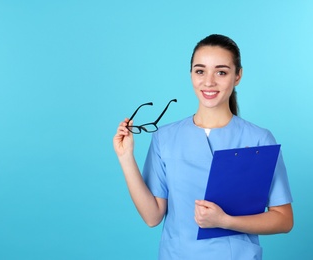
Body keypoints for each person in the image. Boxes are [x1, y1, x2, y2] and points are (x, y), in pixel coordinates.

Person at [113, 34, 293, 259]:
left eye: (221, 72)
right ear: (190, 75)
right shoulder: (165, 138)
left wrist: (225, 221)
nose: (209, 82)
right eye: (200, 71)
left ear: (238, 76)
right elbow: (152, 217)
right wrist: (125, 157)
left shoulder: (259, 139)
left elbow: (284, 219)